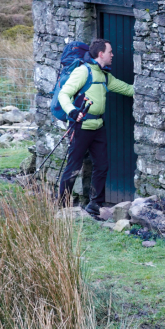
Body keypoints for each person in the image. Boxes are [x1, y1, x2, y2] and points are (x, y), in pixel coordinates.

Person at [57, 38, 134, 215]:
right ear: (101, 54)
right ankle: (62, 206)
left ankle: (95, 205)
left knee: (102, 166)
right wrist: (73, 111)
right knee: (73, 166)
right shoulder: (83, 72)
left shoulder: (104, 75)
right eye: (110, 52)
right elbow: (64, 94)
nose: (112, 55)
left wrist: (146, 90)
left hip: (98, 127)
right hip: (81, 126)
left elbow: (127, 89)